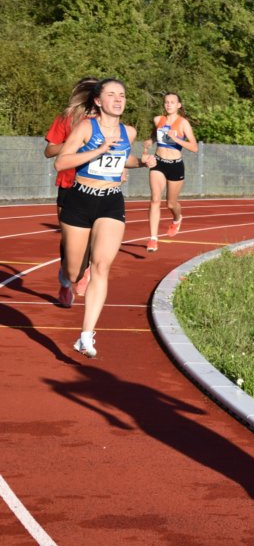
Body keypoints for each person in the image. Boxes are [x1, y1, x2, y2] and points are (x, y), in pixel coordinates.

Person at [54, 78, 156, 358]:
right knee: (75, 272)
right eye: (111, 94)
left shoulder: (128, 132)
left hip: (111, 201)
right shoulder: (86, 127)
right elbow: (61, 162)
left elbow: (123, 160)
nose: (118, 99)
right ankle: (65, 275)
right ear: (98, 101)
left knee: (101, 266)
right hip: (80, 200)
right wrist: (98, 149)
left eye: (122, 94)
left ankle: (86, 336)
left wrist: (141, 162)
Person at [43, 77, 99, 306]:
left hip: (95, 185)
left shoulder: (105, 120)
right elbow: (49, 151)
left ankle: (86, 270)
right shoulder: (66, 118)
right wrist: (73, 143)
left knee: (94, 237)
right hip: (68, 184)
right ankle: (65, 282)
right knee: (69, 240)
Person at [142, 93, 198, 252]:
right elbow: (155, 135)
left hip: (175, 165)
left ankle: (177, 218)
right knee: (155, 199)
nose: (169, 105)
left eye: (172, 102)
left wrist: (177, 139)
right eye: (166, 102)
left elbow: (194, 147)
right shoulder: (158, 119)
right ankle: (153, 238)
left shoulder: (183, 123)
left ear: (179, 105)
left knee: (171, 203)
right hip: (158, 162)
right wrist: (150, 142)